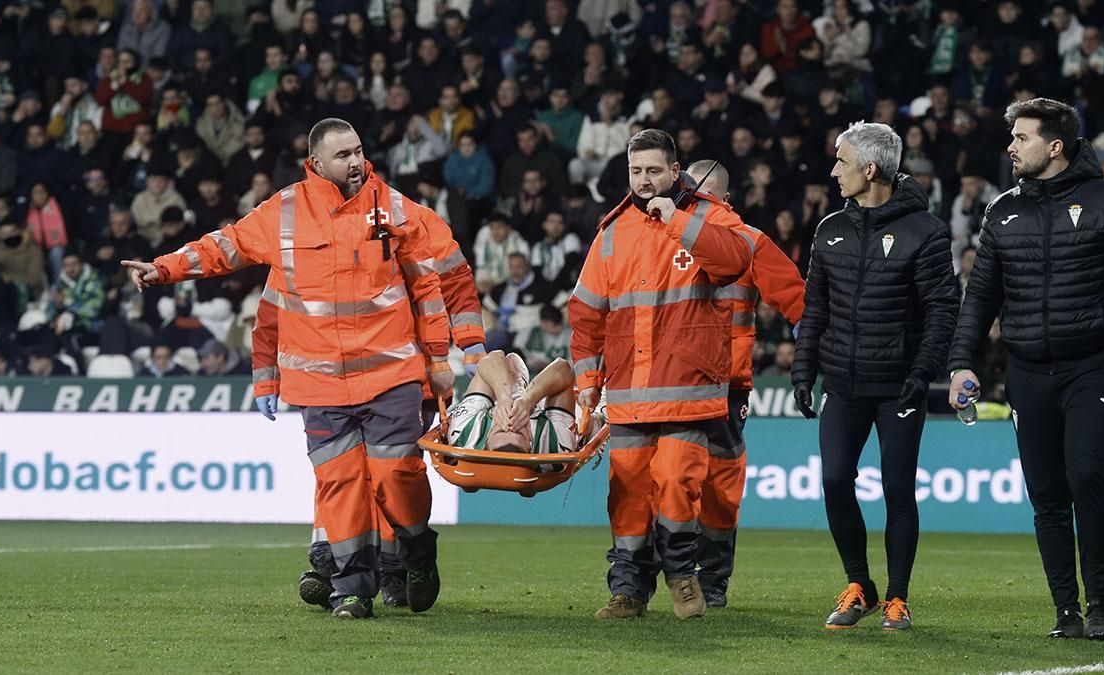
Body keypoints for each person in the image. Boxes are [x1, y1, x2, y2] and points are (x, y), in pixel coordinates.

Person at [122, 118, 453, 620]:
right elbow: (223, 247)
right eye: (343, 155)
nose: (356, 162)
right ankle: (351, 590)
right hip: (320, 384)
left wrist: (440, 358)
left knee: (397, 477)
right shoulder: (284, 212)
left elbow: (426, 287)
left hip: (390, 375)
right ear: (316, 163)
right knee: (340, 487)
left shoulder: (393, 208)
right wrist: (163, 268)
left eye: (358, 151)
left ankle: (416, 550)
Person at [248, 146, 487, 610]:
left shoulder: (415, 223)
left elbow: (456, 285)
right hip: (340, 377)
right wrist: (265, 376)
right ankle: (337, 565)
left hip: (404, 376)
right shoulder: (313, 240)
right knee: (342, 474)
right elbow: (274, 309)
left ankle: (389, 568)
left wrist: (468, 345)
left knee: (388, 477)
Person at [948, 98, 1104, 641]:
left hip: (1095, 365)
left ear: (1055, 146)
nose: (1011, 147)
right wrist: (961, 362)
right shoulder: (1002, 210)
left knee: (1087, 475)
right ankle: (1066, 611)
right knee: (1046, 495)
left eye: (1021, 137)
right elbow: (981, 296)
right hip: (1026, 371)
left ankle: (1100, 605)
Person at [568, 128, 754, 621]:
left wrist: (677, 221)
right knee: (627, 495)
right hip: (629, 391)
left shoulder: (708, 217)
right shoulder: (612, 232)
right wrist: (587, 385)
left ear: (675, 171)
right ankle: (628, 590)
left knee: (676, 482)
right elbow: (586, 315)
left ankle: (681, 574)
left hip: (688, 389)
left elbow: (737, 260)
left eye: (654, 170)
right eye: (636, 171)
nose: (644, 180)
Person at [791, 121, 959, 631]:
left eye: (841, 161)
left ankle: (898, 597)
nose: (833, 171)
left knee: (897, 489)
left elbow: (941, 310)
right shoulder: (829, 229)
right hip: (842, 382)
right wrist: (804, 369)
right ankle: (859, 586)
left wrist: (923, 372)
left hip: (898, 385)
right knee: (834, 480)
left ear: (869, 170)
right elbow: (815, 308)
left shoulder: (925, 231)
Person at [683, 159, 805, 609]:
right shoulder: (669, 237)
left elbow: (797, 301)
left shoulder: (745, 240)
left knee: (712, 483)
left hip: (718, 383)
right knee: (687, 480)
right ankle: (686, 575)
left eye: (704, 197)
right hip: (684, 381)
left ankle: (706, 578)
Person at [447, 350, 602, 464]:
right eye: (519, 431)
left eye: (501, 430)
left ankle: (515, 391)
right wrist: (527, 401)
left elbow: (491, 358)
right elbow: (563, 368)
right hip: (558, 415)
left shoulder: (463, 435)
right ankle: (597, 421)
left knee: (503, 366)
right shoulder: (555, 448)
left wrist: (504, 398)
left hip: (514, 397)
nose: (510, 422)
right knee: (589, 422)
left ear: (485, 441)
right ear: (530, 444)